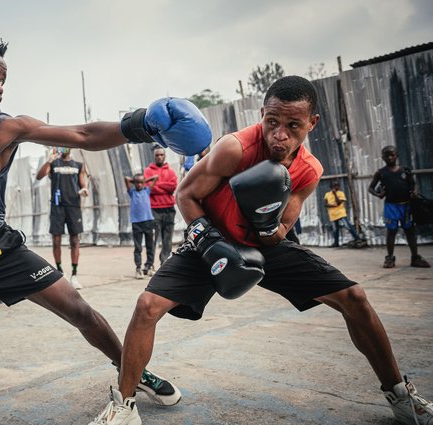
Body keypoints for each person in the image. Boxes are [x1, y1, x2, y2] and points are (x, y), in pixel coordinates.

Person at [0, 34, 214, 424]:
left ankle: (132, 372)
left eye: (3, 79)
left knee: (81, 311)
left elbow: (82, 135)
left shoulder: (5, 128)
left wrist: (141, 124)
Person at [89, 76, 433, 425]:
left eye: (292, 125)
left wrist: (266, 220)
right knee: (148, 306)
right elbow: (185, 195)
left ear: (311, 124)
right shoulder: (234, 148)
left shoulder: (309, 171)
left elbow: (281, 230)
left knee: (354, 297)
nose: (279, 134)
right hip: (211, 239)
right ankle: (124, 405)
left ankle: (401, 397)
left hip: (263, 245)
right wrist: (208, 241)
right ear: (262, 114)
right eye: (272, 122)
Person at [368, 145, 430, 268]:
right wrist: (378, 194)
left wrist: (415, 192)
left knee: (410, 232)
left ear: (397, 155)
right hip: (391, 207)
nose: (390, 157)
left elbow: (413, 185)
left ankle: (415, 258)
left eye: (392, 154)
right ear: (383, 157)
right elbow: (371, 188)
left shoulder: (405, 171)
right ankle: (390, 258)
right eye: (387, 155)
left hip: (406, 206)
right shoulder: (381, 173)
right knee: (391, 232)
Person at [35, 147, 89, 289]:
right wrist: (49, 160)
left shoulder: (78, 165)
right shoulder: (53, 164)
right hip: (57, 206)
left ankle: (74, 275)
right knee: (56, 239)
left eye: (66, 145)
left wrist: (84, 190)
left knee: (74, 239)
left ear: (70, 147)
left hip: (73, 206)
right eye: (61, 145)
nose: (64, 148)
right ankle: (60, 271)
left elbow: (83, 184)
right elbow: (39, 176)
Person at [144, 146, 178, 268]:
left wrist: (158, 184)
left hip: (169, 209)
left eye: (161, 155)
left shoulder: (171, 172)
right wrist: (164, 186)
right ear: (154, 156)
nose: (159, 157)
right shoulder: (148, 171)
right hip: (154, 209)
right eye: (157, 155)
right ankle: (150, 263)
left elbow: (173, 187)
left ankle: (164, 263)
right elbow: (149, 188)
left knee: (167, 239)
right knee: (153, 238)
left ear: (164, 156)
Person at [124, 173, 159, 279]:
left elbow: (156, 177)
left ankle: (149, 266)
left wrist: (145, 180)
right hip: (136, 223)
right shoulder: (132, 192)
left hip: (148, 221)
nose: (139, 185)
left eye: (141, 183)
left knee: (150, 246)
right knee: (138, 247)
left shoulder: (146, 190)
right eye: (137, 183)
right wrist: (134, 181)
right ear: (134, 183)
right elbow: (126, 178)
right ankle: (138, 268)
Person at [323, 180, 362, 247]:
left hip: (341, 213)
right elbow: (325, 204)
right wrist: (333, 206)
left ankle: (357, 238)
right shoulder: (327, 194)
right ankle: (336, 243)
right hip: (332, 214)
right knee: (335, 229)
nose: (336, 187)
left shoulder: (341, 193)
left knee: (348, 226)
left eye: (337, 185)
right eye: (334, 185)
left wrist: (335, 194)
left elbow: (338, 202)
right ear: (331, 186)